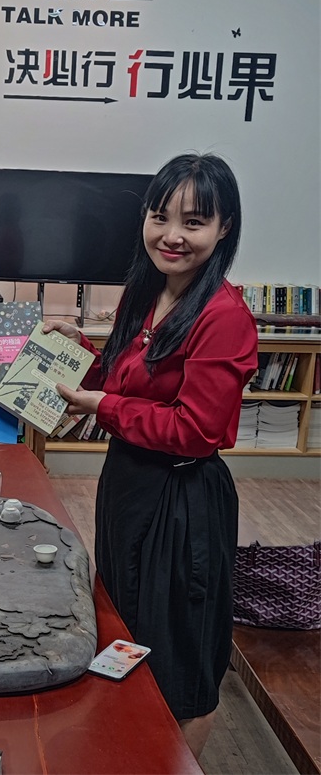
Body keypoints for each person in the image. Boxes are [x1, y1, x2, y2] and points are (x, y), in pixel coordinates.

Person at [44, 152, 258, 758]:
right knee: (126, 624)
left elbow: (195, 429)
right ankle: (128, 752)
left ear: (224, 227)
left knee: (182, 664)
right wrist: (82, 351)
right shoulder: (146, 292)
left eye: (194, 222)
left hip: (183, 498)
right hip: (128, 483)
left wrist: (102, 406)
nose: (172, 235)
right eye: (159, 216)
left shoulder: (224, 316)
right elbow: (127, 381)